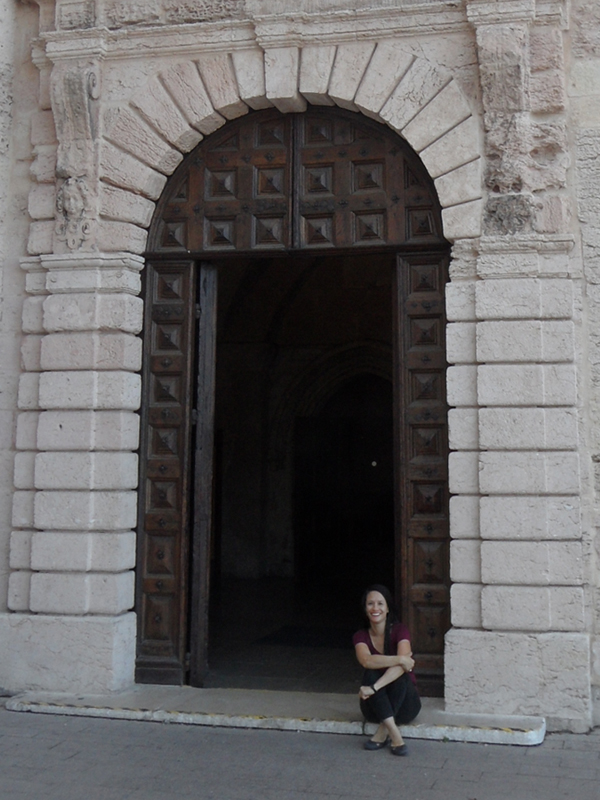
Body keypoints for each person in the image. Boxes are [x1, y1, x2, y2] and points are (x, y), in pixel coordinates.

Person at [353, 584, 421, 756]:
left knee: (401, 676)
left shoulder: (400, 630)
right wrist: (400, 659)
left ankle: (384, 732)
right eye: (370, 604)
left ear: (388, 608)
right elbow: (366, 661)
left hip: (405, 706)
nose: (375, 608)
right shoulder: (360, 636)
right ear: (365, 609)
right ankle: (395, 734)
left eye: (380, 603)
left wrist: (374, 688)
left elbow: (404, 668)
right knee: (370, 672)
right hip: (373, 708)